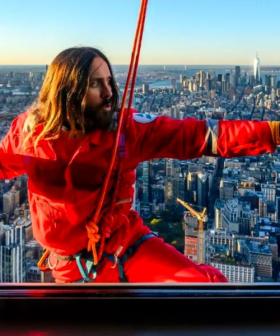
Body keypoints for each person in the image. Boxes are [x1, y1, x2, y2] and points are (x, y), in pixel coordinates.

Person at [1, 47, 279, 283]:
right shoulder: (29, 133)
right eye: (96, 83)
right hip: (68, 268)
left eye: (110, 81)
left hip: (125, 247)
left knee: (209, 289)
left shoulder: (124, 130)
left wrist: (272, 133)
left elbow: (199, 136)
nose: (109, 92)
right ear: (67, 89)